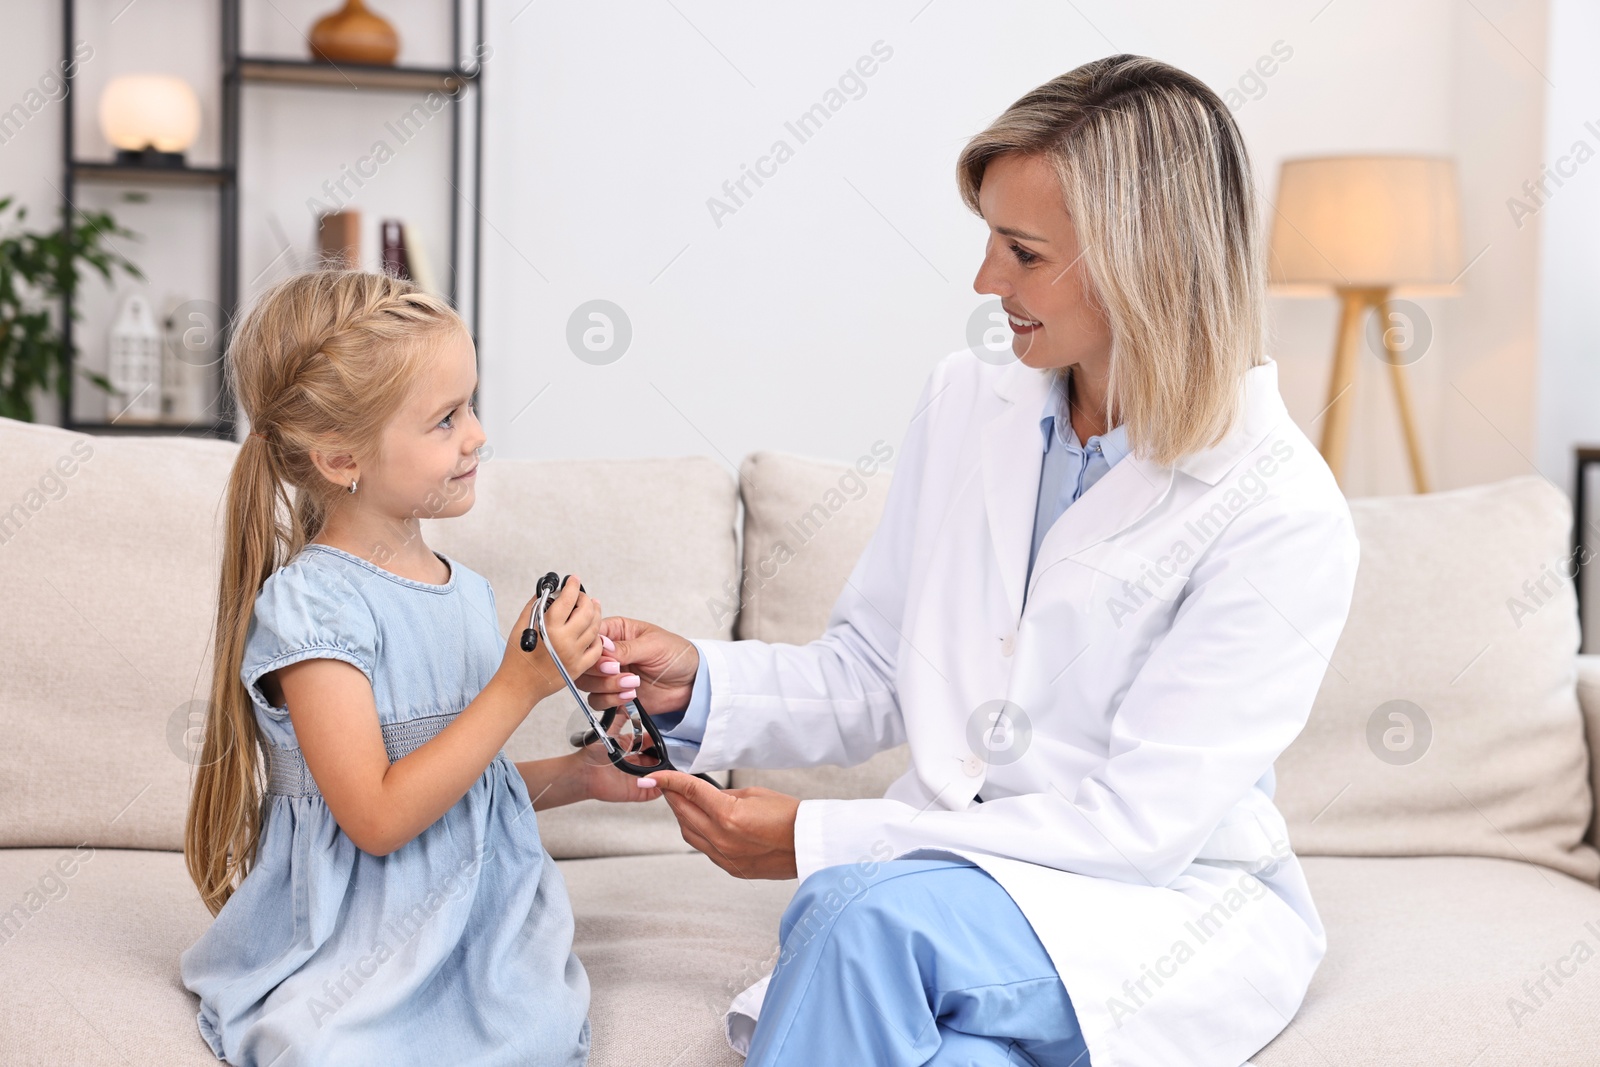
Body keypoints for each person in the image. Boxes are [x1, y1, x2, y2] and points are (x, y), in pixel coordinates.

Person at [579, 54, 1360, 1067]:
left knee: (858, 917)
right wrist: (700, 678)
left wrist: (810, 839)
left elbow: (1137, 826)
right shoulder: (968, 398)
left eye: (1021, 251)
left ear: (1141, 259)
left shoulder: (1279, 509)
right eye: (989, 238)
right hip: (946, 889)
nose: (986, 279)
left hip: (1156, 904)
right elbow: (877, 667)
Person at [180, 270, 657, 1066]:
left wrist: (578, 776)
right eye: (444, 419)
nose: (475, 435)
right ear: (340, 457)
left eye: (470, 404)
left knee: (535, 1032)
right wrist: (518, 685)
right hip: (355, 941)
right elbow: (375, 814)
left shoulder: (463, 591)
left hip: (473, 932)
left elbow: (461, 788)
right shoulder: (313, 607)